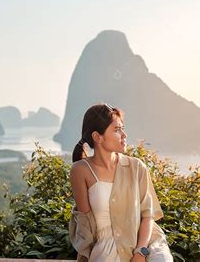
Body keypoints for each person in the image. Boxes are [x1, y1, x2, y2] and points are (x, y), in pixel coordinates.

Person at [69, 103, 173, 262]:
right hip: (107, 246)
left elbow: (148, 215)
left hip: (145, 242)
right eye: (117, 130)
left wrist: (140, 252)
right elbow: (85, 224)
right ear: (98, 137)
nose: (124, 135)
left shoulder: (136, 167)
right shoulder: (80, 170)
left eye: (122, 128)